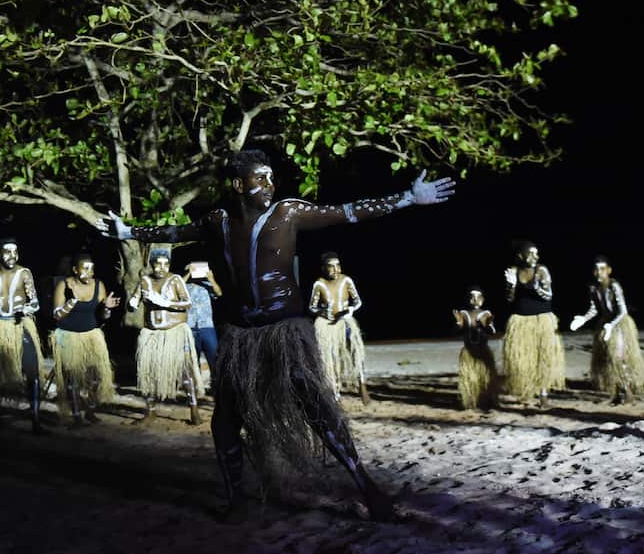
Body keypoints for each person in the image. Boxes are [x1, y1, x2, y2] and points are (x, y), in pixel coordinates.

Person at [100, 149, 455, 522]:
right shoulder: (218, 220)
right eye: (260, 178)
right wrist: (128, 230)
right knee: (226, 416)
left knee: (315, 403)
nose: (269, 184)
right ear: (238, 184)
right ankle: (237, 500)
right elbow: (174, 232)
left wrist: (408, 198)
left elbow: (347, 212)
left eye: (271, 177)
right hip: (241, 337)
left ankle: (367, 488)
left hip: (285, 332)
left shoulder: (288, 212)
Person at [0, 238, 46, 434]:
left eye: (15, 252)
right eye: (7, 252)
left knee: (33, 371)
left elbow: (36, 303)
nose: (12, 256)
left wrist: (26, 308)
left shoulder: (24, 273)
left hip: (20, 325)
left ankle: (36, 419)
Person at [128, 247, 202, 425]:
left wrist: (164, 302)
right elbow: (133, 304)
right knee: (148, 373)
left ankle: (194, 411)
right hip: (152, 334)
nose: (162, 268)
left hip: (174, 333)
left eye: (165, 264)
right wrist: (132, 303)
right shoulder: (145, 281)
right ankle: (150, 412)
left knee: (184, 373)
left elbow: (187, 303)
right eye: (158, 264)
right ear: (151, 265)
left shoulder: (175, 280)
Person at [50, 252, 119, 425]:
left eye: (92, 268)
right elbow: (57, 315)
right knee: (72, 379)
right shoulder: (63, 285)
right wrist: (71, 302)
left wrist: (107, 308)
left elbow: (103, 316)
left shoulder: (99, 285)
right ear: (75, 269)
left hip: (91, 335)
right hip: (69, 337)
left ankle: (90, 409)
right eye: (85, 268)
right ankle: (76, 416)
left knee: (95, 377)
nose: (89, 272)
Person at [569, 256, 644, 403]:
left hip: (619, 325)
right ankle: (617, 393)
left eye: (602, 269)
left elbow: (623, 311)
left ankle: (628, 392)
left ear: (609, 270)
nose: (599, 272)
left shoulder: (614, 286)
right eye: (596, 269)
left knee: (619, 357)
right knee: (607, 359)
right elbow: (594, 309)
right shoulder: (594, 288)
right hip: (605, 325)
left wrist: (612, 325)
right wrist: (583, 319)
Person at [502, 241, 566, 408]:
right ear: (520, 256)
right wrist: (511, 285)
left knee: (542, 358)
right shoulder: (514, 272)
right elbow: (509, 299)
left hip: (542, 320)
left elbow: (548, 296)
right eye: (530, 253)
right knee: (523, 359)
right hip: (521, 321)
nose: (535, 257)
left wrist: (535, 286)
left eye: (536, 253)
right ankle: (528, 390)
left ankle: (543, 395)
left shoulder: (541, 270)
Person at [308, 252, 371, 405]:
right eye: (331, 266)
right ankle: (335, 393)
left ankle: (362, 384)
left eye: (338, 265)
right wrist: (321, 311)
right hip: (326, 324)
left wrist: (349, 310)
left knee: (356, 351)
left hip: (345, 321)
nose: (335, 269)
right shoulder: (319, 284)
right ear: (324, 268)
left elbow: (357, 301)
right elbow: (312, 306)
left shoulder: (346, 280)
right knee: (329, 359)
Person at [453, 287, 499, 411]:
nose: (475, 300)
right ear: (468, 299)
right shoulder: (464, 313)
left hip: (482, 353)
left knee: (485, 378)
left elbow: (492, 332)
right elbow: (459, 331)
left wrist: (489, 325)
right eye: (472, 297)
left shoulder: (486, 313)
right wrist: (458, 323)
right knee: (469, 378)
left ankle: (487, 401)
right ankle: (470, 401)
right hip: (468, 352)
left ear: (483, 300)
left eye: (478, 297)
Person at [184, 259, 221, 392]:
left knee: (214, 358)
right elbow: (176, 287)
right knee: (192, 361)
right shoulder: (183, 286)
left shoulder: (207, 285)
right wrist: (189, 273)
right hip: (190, 328)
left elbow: (219, 293)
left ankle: (216, 388)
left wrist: (210, 278)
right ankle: (194, 390)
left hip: (207, 327)